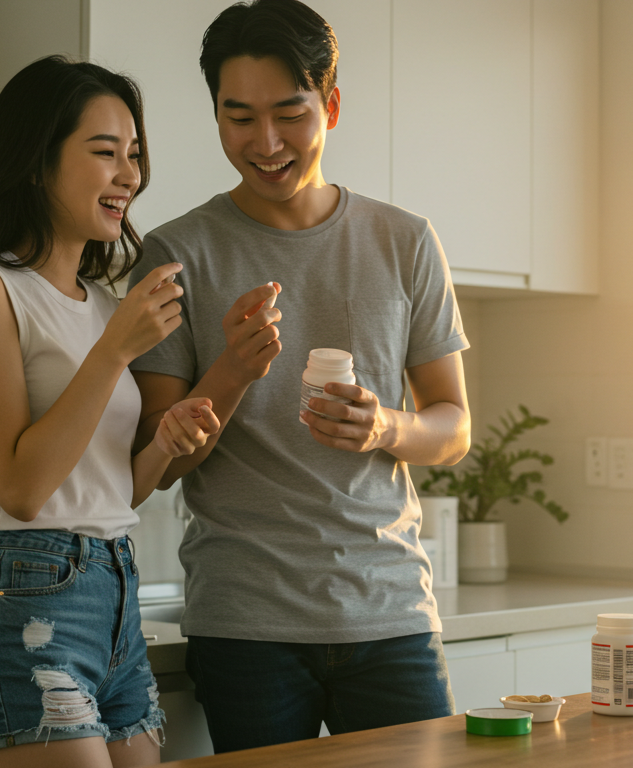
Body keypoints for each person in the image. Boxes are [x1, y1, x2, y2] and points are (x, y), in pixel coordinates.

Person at [128, 0, 472, 753]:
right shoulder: (175, 253)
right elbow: (153, 463)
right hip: (246, 624)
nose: (267, 142)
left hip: (391, 615)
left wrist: (388, 426)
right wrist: (232, 371)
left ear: (333, 104)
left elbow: (452, 427)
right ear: (215, 116)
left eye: (290, 112)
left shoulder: (405, 240)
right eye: (239, 117)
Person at [0, 55, 220, 768]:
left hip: (116, 596)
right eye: (105, 152)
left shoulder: (106, 308)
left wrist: (163, 444)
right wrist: (114, 353)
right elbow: (22, 490)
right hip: (28, 603)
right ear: (35, 163)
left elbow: (116, 492)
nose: (130, 176)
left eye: (134, 155)